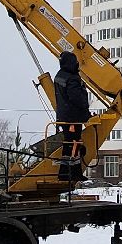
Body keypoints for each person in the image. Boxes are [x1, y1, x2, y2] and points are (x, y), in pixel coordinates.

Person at [51, 50, 91, 183]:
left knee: (72, 143)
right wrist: (86, 112)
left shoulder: (59, 76)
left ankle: (74, 172)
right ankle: (67, 172)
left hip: (64, 116)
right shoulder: (72, 78)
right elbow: (76, 98)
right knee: (73, 144)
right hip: (73, 117)